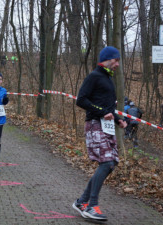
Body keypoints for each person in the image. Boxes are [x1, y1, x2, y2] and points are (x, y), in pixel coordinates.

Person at [73, 46, 126, 221]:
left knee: (111, 164)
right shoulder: (94, 76)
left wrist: (118, 119)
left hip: (107, 126)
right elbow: (81, 100)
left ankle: (81, 201)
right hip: (95, 124)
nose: (118, 64)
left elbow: (108, 107)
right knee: (107, 162)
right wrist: (102, 112)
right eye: (116, 60)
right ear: (107, 59)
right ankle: (91, 206)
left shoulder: (108, 79)